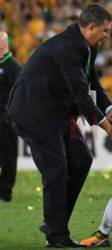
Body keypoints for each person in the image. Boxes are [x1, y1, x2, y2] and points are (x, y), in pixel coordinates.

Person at [6, 4, 112, 248]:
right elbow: (81, 96)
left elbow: (94, 86)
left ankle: (54, 220)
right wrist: (109, 130)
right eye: (104, 30)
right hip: (34, 113)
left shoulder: (86, 46)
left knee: (81, 160)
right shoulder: (69, 48)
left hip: (55, 113)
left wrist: (111, 110)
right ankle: (57, 236)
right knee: (57, 168)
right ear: (91, 28)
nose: (107, 35)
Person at [0, 31, 22, 202]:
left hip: (6, 118)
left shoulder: (14, 67)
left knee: (8, 155)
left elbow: (20, 94)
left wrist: (12, 115)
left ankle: (5, 191)